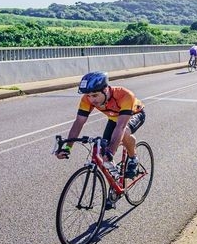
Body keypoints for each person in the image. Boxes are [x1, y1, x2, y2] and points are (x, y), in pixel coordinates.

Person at [56, 71, 147, 207]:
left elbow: (121, 127)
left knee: (124, 133)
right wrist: (68, 147)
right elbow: (79, 122)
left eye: (95, 95)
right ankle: (115, 182)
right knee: (101, 154)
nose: (92, 99)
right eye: (88, 95)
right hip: (113, 118)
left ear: (105, 89)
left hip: (134, 114)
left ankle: (133, 158)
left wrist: (111, 150)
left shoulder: (124, 95)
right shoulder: (87, 99)